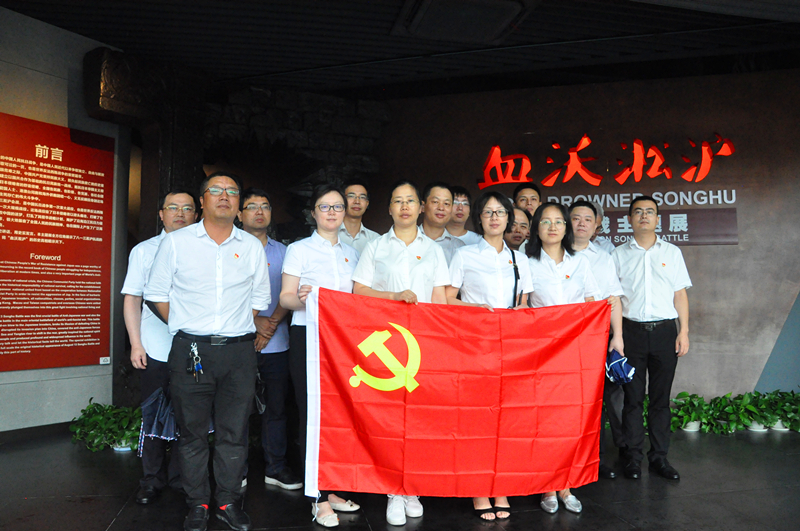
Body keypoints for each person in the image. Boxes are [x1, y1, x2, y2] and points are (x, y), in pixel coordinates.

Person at [145, 172, 271, 531]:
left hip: (238, 353)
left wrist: (230, 327)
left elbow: (260, 298)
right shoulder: (177, 242)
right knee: (192, 433)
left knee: (234, 433)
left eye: (232, 191)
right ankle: (197, 503)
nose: (224, 196)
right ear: (202, 201)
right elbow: (156, 294)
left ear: (238, 203)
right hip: (191, 351)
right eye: (216, 190)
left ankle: (228, 502)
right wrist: (187, 325)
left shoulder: (250, 246)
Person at [351, 180, 449, 527]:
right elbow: (359, 290)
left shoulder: (433, 250)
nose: (404, 207)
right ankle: (393, 489)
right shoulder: (376, 247)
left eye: (410, 201)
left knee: (420, 418)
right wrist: (394, 297)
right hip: (386, 343)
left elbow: (440, 298)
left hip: (424, 343)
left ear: (420, 207)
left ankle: (412, 487)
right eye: (398, 201)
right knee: (390, 419)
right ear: (389, 208)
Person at [446, 191, 532, 521]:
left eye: (500, 212)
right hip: (474, 346)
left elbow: (524, 304)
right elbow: (447, 299)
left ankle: (501, 487)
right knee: (477, 419)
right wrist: (475, 309)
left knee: (506, 420)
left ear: (509, 218)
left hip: (510, 348)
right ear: (479, 218)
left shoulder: (519, 259)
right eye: (488, 212)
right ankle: (479, 489)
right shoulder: (464, 255)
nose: (494, 218)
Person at [279, 184, 361, 528]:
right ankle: (317, 498)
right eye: (325, 207)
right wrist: (305, 298)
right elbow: (285, 298)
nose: (332, 212)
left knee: (341, 414)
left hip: (343, 342)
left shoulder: (353, 252)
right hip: (308, 337)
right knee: (312, 413)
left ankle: (333, 487)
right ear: (313, 212)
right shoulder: (299, 249)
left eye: (338, 207)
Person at [525, 202, 608, 515]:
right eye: (545, 222)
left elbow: (591, 301)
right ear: (537, 228)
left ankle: (566, 485)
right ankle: (547, 486)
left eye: (558, 221)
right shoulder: (526, 262)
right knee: (545, 420)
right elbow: (522, 306)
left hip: (575, 352)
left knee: (570, 420)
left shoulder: (580, 262)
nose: (552, 227)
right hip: (542, 353)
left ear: (566, 228)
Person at [122, 188, 197, 505]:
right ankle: (151, 479)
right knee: (153, 414)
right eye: (173, 208)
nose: (180, 213)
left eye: (187, 208)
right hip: (154, 347)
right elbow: (132, 299)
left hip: (194, 349)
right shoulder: (144, 251)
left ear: (197, 214)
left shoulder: (205, 250)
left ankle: (181, 478)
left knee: (189, 416)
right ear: (161, 214)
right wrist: (135, 343)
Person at [612, 195, 691, 481]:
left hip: (665, 333)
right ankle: (633, 459)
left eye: (649, 212)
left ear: (657, 219)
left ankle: (659, 458)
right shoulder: (618, 255)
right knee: (632, 401)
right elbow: (614, 298)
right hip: (631, 333)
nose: (644, 216)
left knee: (660, 400)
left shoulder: (672, 252)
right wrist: (617, 336)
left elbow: (679, 294)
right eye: (638, 212)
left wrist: (683, 331)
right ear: (629, 219)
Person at [237, 188, 302, 491]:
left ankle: (275, 467)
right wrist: (254, 323)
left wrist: (270, 324)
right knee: (236, 410)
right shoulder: (230, 249)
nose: (259, 212)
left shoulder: (285, 252)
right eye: (252, 206)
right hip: (239, 341)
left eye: (265, 206)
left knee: (276, 408)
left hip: (277, 341)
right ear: (240, 214)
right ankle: (235, 470)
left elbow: (291, 292)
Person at [569, 200, 626, 480]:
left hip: (596, 338)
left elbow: (613, 298)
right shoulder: (553, 253)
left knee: (596, 400)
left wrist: (618, 336)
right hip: (562, 341)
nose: (581, 224)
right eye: (576, 218)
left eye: (588, 219)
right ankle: (566, 458)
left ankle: (595, 458)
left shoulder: (603, 257)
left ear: (596, 226)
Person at [417, 181, 465, 265]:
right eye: (435, 202)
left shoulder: (459, 247)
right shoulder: (407, 240)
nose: (441, 208)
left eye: (446, 203)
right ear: (423, 206)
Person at [338, 178, 380, 253]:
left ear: (367, 203)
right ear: (341, 200)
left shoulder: (375, 239)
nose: (357, 201)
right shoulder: (331, 235)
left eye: (362, 197)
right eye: (351, 196)